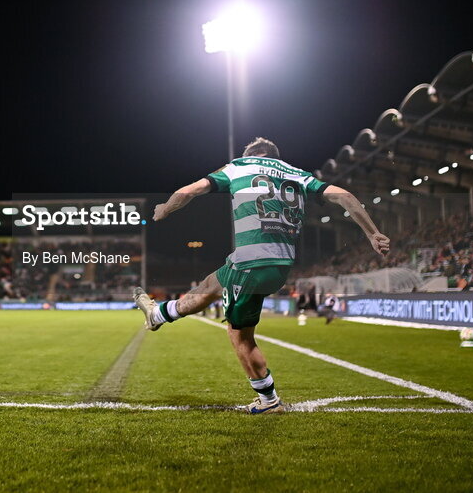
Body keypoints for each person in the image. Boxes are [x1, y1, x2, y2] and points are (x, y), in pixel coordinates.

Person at [134, 137, 390, 414]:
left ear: (251, 154)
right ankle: (159, 314)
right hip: (280, 263)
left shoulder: (238, 166)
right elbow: (345, 197)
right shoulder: (298, 174)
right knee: (213, 282)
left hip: (251, 262)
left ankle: (269, 401)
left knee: (239, 335)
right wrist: (373, 233)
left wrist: (165, 208)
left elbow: (191, 190)